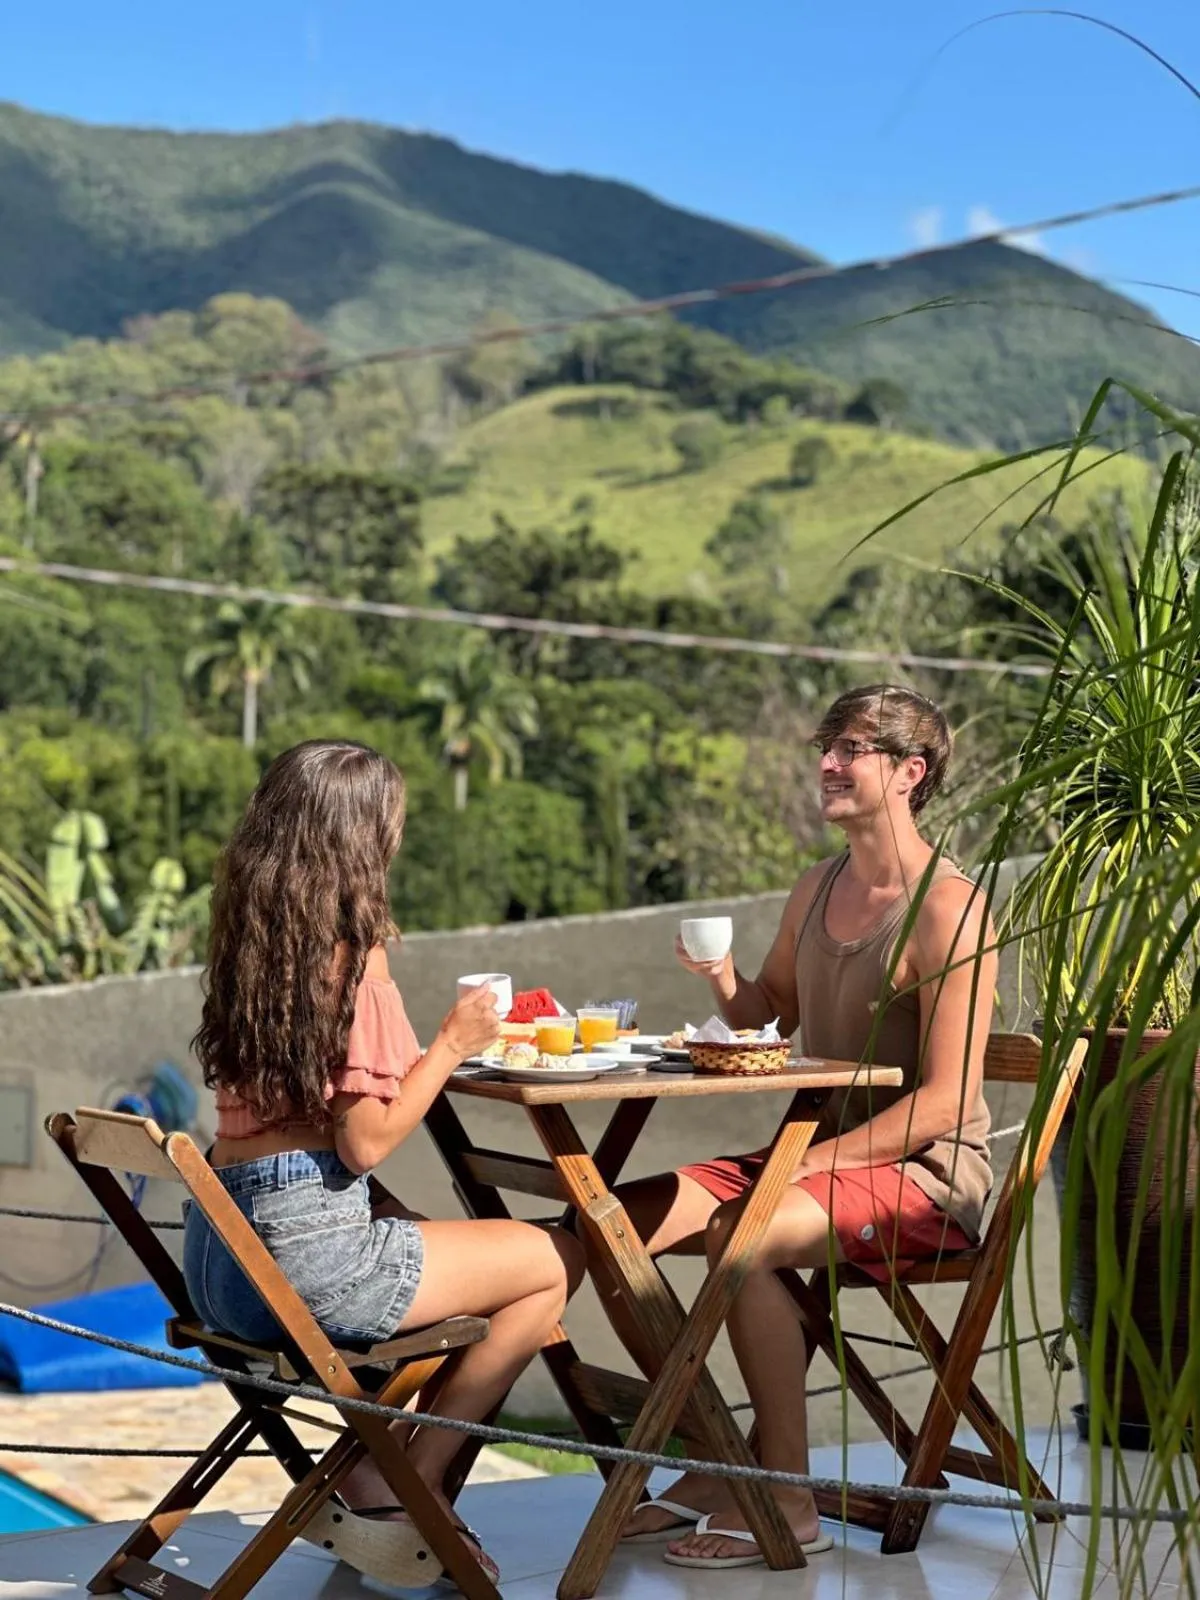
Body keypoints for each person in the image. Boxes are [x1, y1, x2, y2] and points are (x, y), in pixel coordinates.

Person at [596, 684, 997, 1571]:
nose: (826, 762)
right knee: (608, 1226)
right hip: (817, 1162)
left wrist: (804, 1161)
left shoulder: (949, 909)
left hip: (928, 1178)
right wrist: (722, 975)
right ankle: (717, 1457)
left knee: (743, 1234)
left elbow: (942, 1104)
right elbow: (764, 1017)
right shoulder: (816, 887)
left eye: (851, 747)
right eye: (828, 744)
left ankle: (785, 1494)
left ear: (909, 773)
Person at [183, 739, 583, 1586]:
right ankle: (403, 1483)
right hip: (305, 1267)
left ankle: (389, 1472)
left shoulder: (250, 946)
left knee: (441, 1250)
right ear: (364, 840)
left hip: (221, 1267)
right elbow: (364, 1142)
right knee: (557, 1257)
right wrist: (452, 1042)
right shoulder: (356, 959)